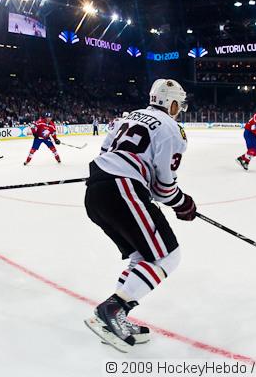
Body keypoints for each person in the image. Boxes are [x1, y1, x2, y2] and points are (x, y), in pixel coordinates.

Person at [83, 79, 196, 352]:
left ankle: (115, 314)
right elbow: (164, 189)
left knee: (143, 257)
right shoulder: (172, 129)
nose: (178, 109)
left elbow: (106, 154)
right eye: (177, 104)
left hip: (97, 191)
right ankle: (111, 310)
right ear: (170, 102)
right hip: (123, 190)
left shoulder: (127, 118)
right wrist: (184, 204)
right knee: (168, 255)